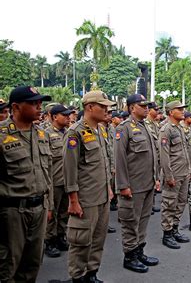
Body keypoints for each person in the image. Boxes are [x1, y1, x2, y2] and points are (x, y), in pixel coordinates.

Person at [0, 86, 53, 282]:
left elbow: (48, 175)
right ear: (16, 107)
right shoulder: (2, 135)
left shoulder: (41, 134)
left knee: (32, 264)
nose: (39, 107)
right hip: (12, 212)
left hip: (39, 208)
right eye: (33, 103)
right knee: (7, 266)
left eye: (40, 103)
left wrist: (50, 205)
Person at [63, 90, 115, 282]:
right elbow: (70, 170)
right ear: (90, 107)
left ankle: (91, 273)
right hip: (85, 199)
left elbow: (102, 163)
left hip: (101, 195)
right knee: (81, 241)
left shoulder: (100, 130)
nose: (106, 109)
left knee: (98, 239)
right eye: (102, 106)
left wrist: (108, 187)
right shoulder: (75, 132)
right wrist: (73, 200)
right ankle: (78, 276)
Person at [115, 94, 160, 273]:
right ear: (132, 108)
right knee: (130, 222)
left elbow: (152, 156)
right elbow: (119, 160)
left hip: (147, 183)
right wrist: (123, 185)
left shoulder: (146, 127)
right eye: (142, 105)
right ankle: (130, 256)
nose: (147, 108)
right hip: (133, 186)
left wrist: (156, 179)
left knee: (143, 220)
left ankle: (139, 250)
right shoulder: (124, 128)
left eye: (147, 105)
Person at [159, 101, 191, 249]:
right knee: (169, 203)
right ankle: (167, 233)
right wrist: (168, 176)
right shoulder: (166, 129)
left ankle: (175, 229)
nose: (183, 111)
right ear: (171, 112)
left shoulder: (179, 128)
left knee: (180, 202)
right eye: (179, 109)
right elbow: (164, 156)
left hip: (184, 173)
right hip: (174, 174)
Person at [44, 104, 74, 258]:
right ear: (55, 117)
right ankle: (49, 240)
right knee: (52, 213)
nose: (69, 117)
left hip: (67, 181)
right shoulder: (46, 134)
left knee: (64, 212)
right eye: (65, 115)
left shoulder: (70, 133)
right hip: (53, 181)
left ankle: (60, 236)